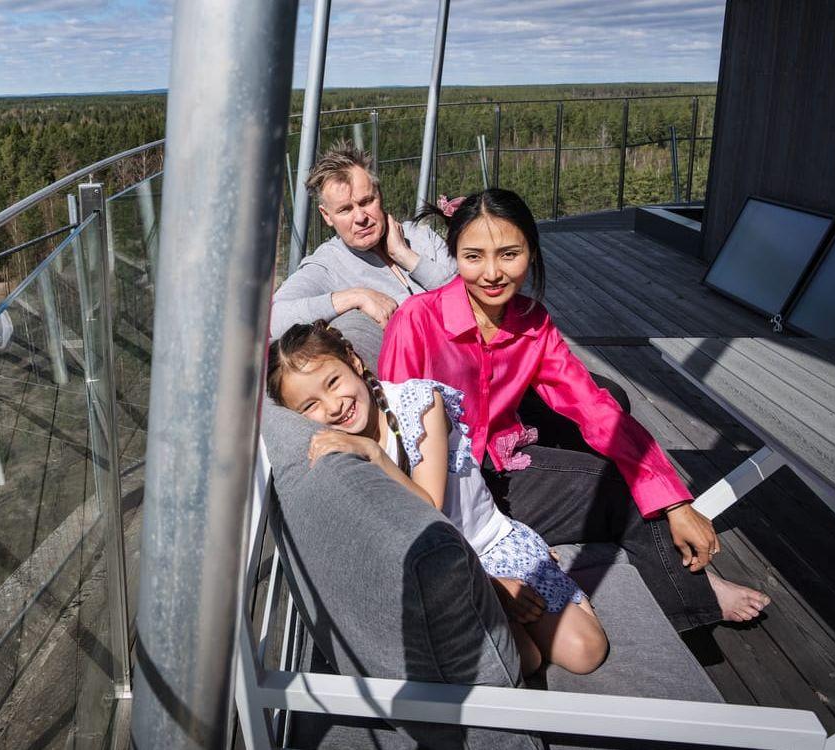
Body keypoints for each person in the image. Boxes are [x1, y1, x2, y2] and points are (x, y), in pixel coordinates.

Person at [380, 189, 771, 629]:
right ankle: (694, 598)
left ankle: (679, 585)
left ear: (531, 251)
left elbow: (591, 405)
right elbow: (395, 431)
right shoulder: (416, 319)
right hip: (448, 485)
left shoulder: (532, 320)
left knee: (614, 421)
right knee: (616, 488)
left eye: (509, 254)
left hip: (504, 462)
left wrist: (676, 501)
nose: (491, 273)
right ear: (455, 256)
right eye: (474, 257)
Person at [268, 320, 609, 676]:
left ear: (353, 362)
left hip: (490, 543)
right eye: (310, 405)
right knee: (525, 659)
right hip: (451, 576)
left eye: (333, 382)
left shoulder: (419, 403)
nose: (333, 406)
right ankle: (500, 602)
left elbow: (428, 506)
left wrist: (374, 453)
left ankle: (540, 572)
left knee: (586, 651)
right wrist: (490, 590)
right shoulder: (338, 447)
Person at [270, 141, 455, 340]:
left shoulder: (421, 236)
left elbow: (467, 294)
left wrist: (405, 255)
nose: (360, 218)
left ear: (380, 194)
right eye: (345, 210)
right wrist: (356, 297)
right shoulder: (326, 266)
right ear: (326, 215)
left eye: (366, 201)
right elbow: (272, 319)